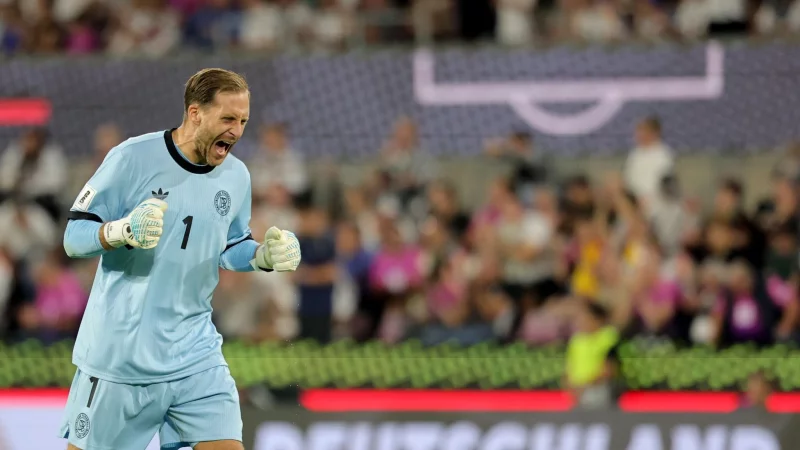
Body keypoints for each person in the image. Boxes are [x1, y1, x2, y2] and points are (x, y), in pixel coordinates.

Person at [59, 68, 302, 450]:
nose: (237, 131)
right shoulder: (131, 158)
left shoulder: (236, 176)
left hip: (196, 355)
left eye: (243, 121)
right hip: (122, 358)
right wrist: (122, 231)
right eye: (228, 118)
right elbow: (73, 239)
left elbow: (229, 246)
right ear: (195, 113)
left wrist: (261, 256)